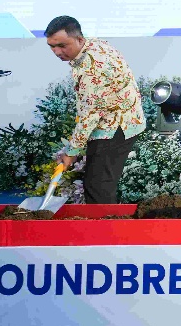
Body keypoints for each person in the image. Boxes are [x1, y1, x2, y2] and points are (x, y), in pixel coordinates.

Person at [44, 15, 146, 204]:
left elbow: (90, 116)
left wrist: (71, 152)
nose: (57, 52)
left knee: (98, 187)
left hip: (115, 126)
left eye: (62, 46)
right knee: (98, 183)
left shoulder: (92, 69)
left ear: (79, 39)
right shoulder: (92, 46)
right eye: (52, 46)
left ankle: (106, 222)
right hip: (121, 119)